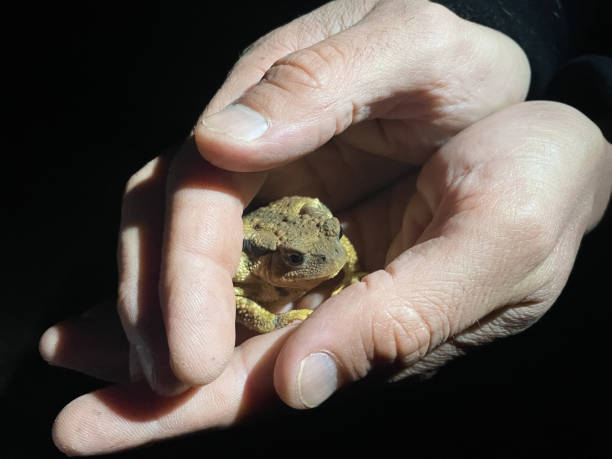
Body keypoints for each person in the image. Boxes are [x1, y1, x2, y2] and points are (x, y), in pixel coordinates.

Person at [39, 0, 611, 455]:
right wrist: (268, 314)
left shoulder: (321, 236)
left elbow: (314, 212)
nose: (326, 258)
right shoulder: (249, 263)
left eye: (331, 244)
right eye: (298, 262)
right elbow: (241, 286)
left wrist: (596, 125)